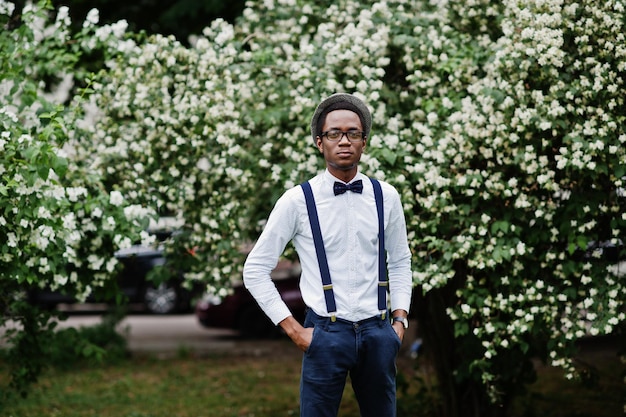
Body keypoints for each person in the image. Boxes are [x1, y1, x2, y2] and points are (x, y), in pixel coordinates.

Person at [243, 93, 413, 417]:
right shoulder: (296, 201)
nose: (344, 140)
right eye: (334, 133)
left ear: (364, 141)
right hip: (324, 334)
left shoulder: (386, 196)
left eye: (353, 133)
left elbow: (400, 261)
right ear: (320, 143)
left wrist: (399, 321)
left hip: (379, 333)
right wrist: (295, 331)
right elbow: (255, 269)